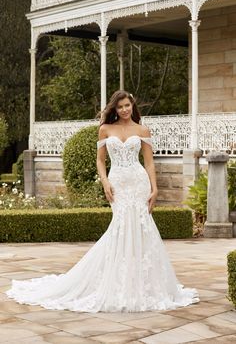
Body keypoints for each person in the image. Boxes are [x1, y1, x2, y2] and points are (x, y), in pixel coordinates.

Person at [5, 90, 199, 312]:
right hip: (117, 183)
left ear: (132, 106)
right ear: (114, 109)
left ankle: (143, 285)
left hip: (138, 183)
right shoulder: (105, 130)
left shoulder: (142, 130)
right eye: (120, 106)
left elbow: (149, 163)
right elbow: (100, 160)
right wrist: (105, 182)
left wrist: (155, 188)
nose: (124, 110)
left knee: (142, 228)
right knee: (121, 226)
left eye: (127, 105)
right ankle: (116, 281)